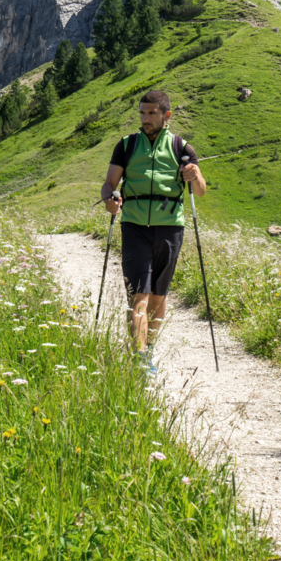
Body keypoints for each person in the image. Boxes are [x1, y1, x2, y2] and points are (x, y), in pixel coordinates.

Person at [100, 89, 205, 371]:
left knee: (159, 295)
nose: (145, 118)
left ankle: (150, 346)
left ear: (166, 115)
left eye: (151, 113)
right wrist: (110, 200)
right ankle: (140, 357)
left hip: (170, 228)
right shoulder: (127, 145)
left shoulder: (182, 148)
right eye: (142, 113)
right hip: (134, 226)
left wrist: (194, 175)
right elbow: (109, 184)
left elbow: (200, 190)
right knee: (139, 296)